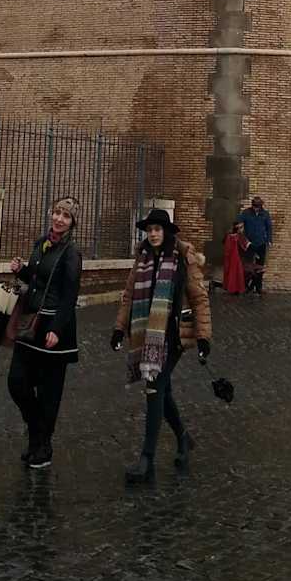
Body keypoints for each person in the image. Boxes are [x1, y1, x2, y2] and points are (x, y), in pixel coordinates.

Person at [112, 207, 212, 482]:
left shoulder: (183, 257)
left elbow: (199, 298)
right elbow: (129, 295)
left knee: (154, 388)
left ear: (166, 231)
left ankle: (147, 458)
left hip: (173, 336)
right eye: (149, 230)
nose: (153, 234)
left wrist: (203, 337)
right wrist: (119, 328)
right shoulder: (142, 258)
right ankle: (183, 437)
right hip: (147, 333)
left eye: (157, 229)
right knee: (162, 391)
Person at [6, 195, 83, 470]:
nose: (59, 219)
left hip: (52, 328)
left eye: (66, 216)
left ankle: (42, 446)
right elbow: (37, 280)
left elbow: (69, 295)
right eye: (57, 212)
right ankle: (37, 432)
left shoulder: (71, 253)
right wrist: (22, 270)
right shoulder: (41, 244)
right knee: (16, 382)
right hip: (30, 324)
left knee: (49, 391)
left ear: (72, 222)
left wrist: (57, 329)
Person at [240, 196, 274, 294]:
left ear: (261, 206)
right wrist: (243, 238)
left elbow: (269, 228)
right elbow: (239, 223)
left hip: (261, 243)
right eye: (254, 206)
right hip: (249, 244)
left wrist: (269, 240)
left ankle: (258, 287)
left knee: (260, 267)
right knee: (248, 267)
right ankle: (246, 286)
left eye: (257, 206)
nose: (256, 208)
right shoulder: (246, 213)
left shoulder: (265, 214)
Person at [222, 219, 248, 296]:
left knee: (233, 272)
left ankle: (233, 288)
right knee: (235, 272)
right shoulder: (236, 236)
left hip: (231, 256)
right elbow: (245, 246)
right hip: (235, 256)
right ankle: (234, 288)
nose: (242, 229)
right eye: (241, 227)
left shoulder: (230, 235)